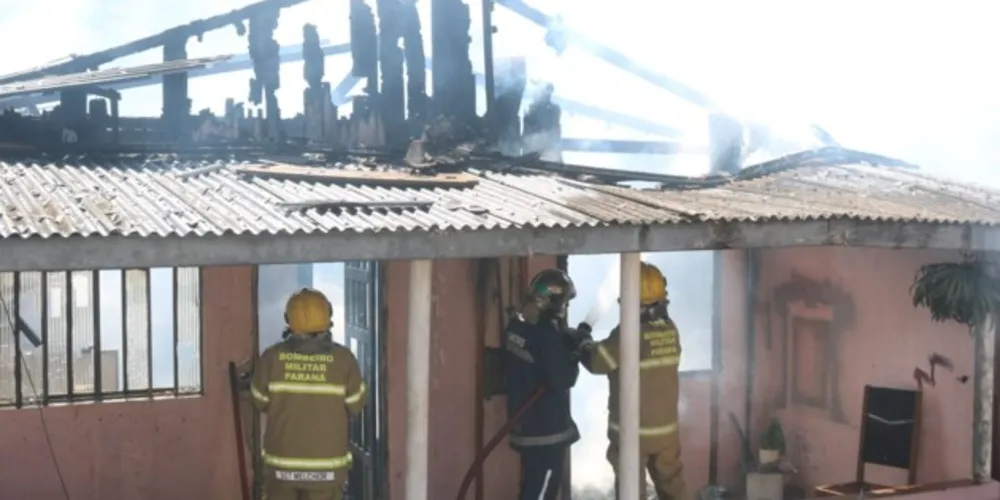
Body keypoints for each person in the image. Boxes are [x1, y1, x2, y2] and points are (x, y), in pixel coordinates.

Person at [579, 262, 688, 500]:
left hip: (632, 433)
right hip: (666, 432)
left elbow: (598, 362)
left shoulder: (629, 333)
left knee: (631, 489)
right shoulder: (670, 329)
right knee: (673, 487)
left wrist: (582, 342)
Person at [251, 288, 367, 500]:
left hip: (281, 469)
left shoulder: (271, 357)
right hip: (326, 470)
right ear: (328, 318)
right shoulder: (344, 359)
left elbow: (260, 402)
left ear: (288, 320)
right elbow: (356, 405)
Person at [504, 269, 589, 500]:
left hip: (525, 425)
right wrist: (573, 355)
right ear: (553, 304)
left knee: (531, 486)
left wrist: (565, 338)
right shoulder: (548, 338)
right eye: (564, 303)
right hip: (546, 430)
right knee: (543, 491)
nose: (565, 309)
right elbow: (563, 378)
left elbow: (536, 350)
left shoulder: (516, 328)